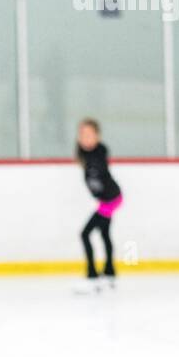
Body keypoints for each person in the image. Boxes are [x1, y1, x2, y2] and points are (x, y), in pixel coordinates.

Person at [75, 119, 123, 293]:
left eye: (89, 135)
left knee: (85, 233)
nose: (85, 138)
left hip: (111, 200)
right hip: (106, 200)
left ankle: (92, 276)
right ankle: (109, 272)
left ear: (97, 136)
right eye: (82, 135)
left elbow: (100, 164)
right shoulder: (82, 153)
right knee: (104, 234)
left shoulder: (99, 152)